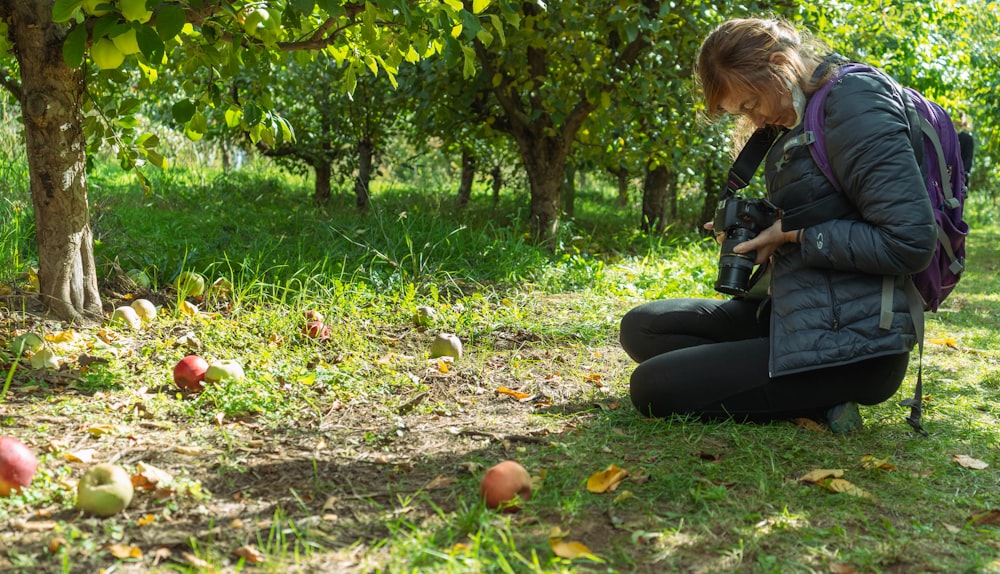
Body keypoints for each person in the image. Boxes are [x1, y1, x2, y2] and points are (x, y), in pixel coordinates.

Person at [619, 18, 938, 433]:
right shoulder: (799, 118)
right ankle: (795, 388)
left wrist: (793, 233)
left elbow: (910, 242)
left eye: (749, 104)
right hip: (796, 313)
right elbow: (829, 205)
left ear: (778, 65)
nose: (751, 119)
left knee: (652, 387)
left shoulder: (854, 104)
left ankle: (824, 394)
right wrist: (766, 227)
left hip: (855, 343)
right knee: (642, 327)